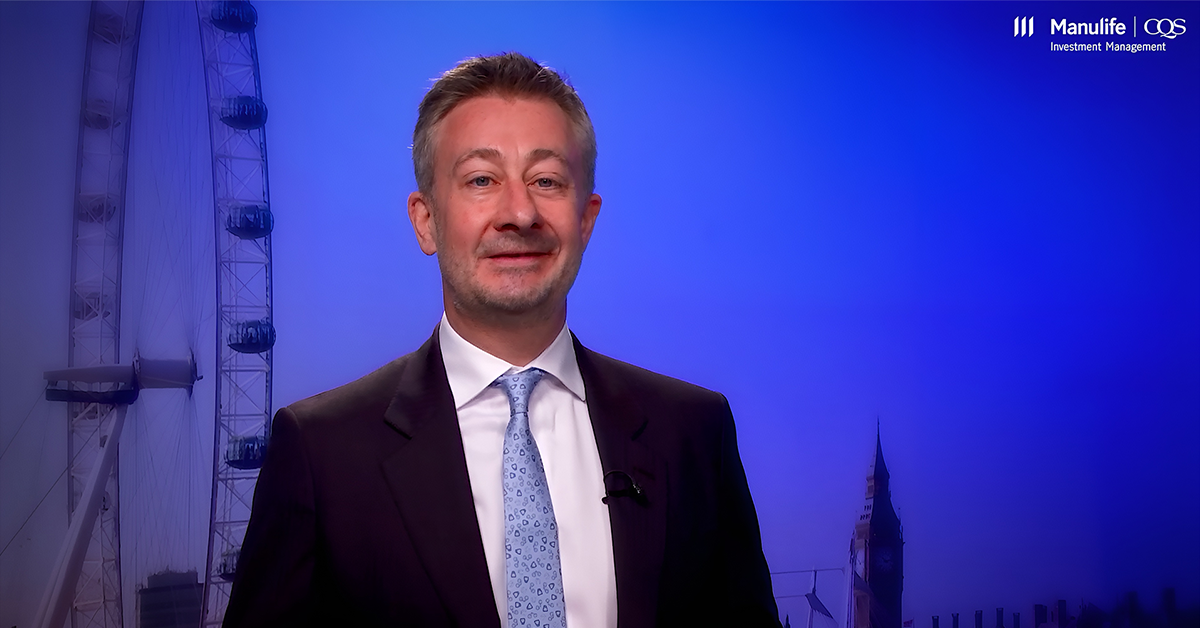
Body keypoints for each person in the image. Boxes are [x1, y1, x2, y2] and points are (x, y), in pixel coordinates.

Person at [223, 52, 779, 628]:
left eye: (546, 181)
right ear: (426, 220)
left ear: (586, 220)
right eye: (482, 180)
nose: (519, 212)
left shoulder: (692, 433)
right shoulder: (322, 452)